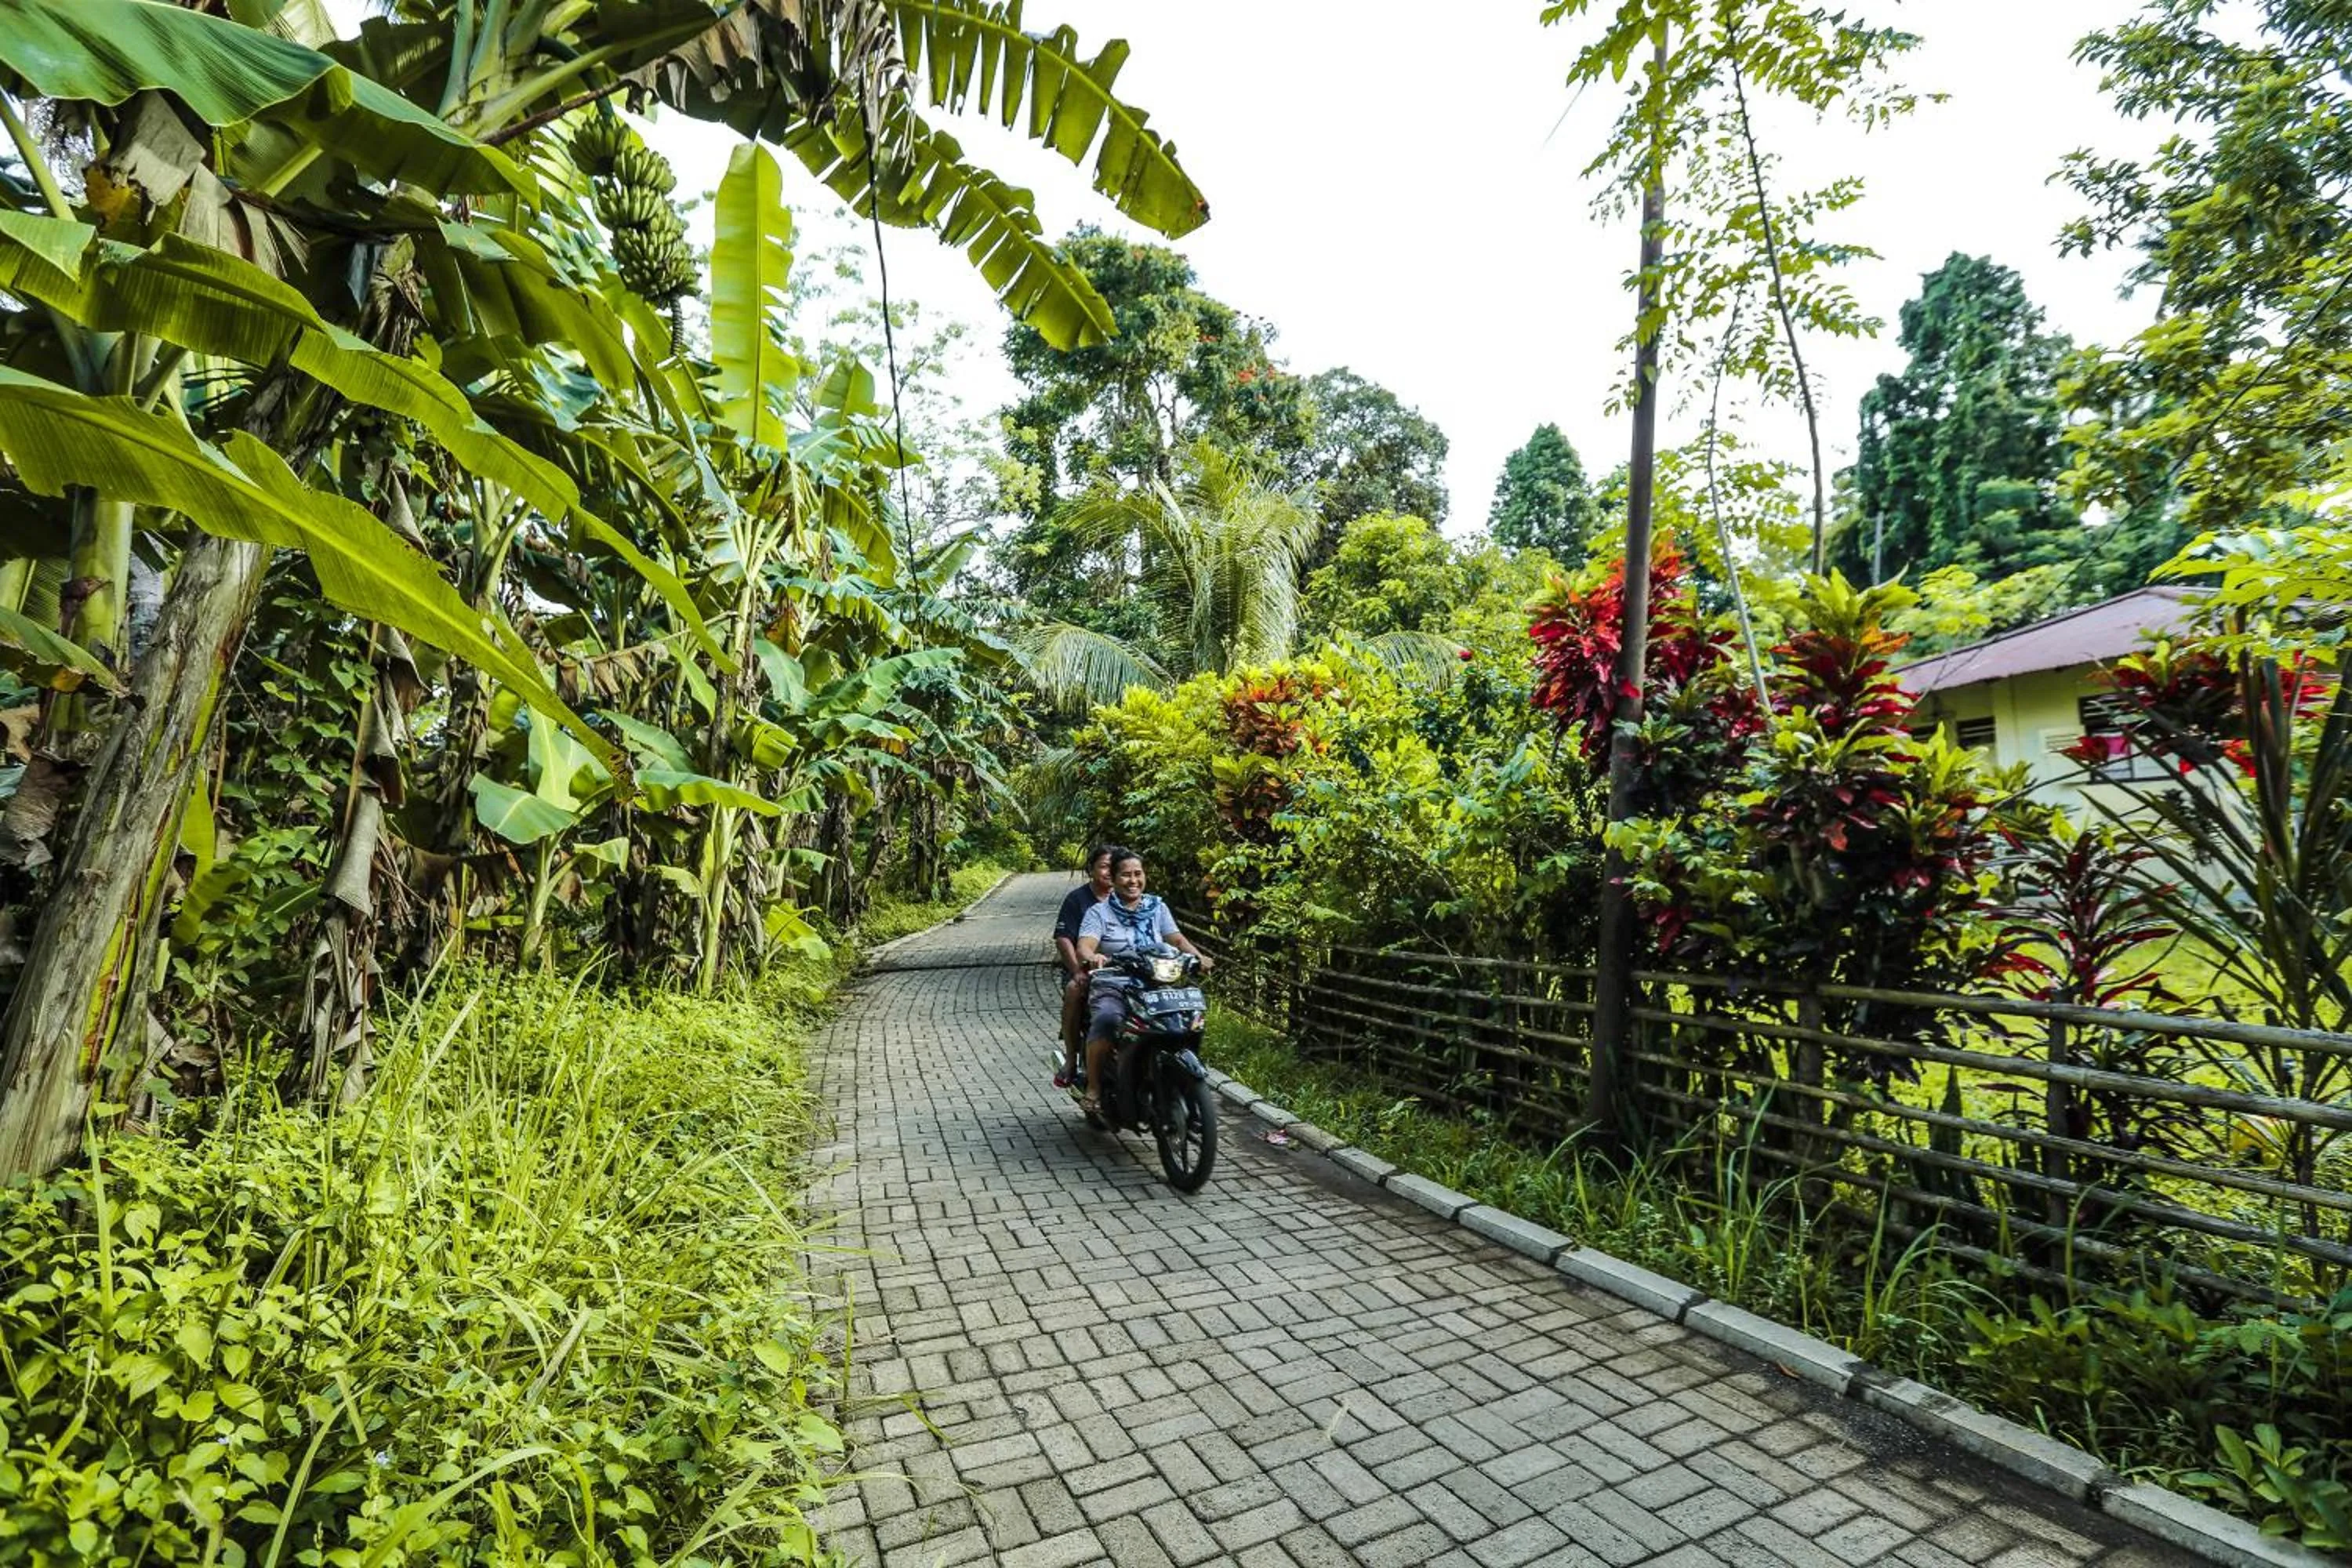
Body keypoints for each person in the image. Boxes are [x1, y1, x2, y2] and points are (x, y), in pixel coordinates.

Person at [1073, 849, 1210, 1120]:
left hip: (1157, 985)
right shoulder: (1098, 913)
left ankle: (1172, 1076)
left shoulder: (1157, 907)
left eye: (1138, 874)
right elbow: (1084, 947)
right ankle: (1094, 1086)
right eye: (1125, 875)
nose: (1133, 880)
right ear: (1113, 879)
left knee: (1187, 1021)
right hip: (1115, 983)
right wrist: (1094, 957)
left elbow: (1177, 940)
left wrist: (1198, 956)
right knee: (1108, 1019)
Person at [1051, 844, 1119, 1088]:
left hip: (1121, 971)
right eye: (1103, 867)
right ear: (1091, 870)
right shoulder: (1077, 900)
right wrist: (1077, 970)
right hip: (1086, 970)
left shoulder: (1128, 898)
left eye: (1114, 867)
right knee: (1073, 991)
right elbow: (1063, 939)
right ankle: (1071, 1059)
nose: (1109, 872)